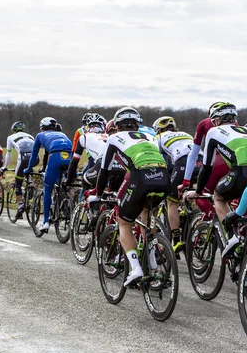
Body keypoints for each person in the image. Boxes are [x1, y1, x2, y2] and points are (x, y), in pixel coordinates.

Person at [88, 107, 169, 286]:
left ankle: (135, 268)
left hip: (140, 177)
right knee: (147, 214)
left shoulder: (113, 138)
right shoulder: (151, 137)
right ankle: (151, 255)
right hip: (164, 178)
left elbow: (104, 171)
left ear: (116, 126)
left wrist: (98, 195)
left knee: (124, 221)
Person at [183, 103, 247, 258]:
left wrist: (198, 191)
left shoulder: (213, 131)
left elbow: (206, 167)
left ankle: (233, 237)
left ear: (217, 120)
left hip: (241, 172)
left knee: (219, 198)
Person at [152, 116, 194, 255]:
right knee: (196, 192)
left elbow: (157, 160)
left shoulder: (159, 137)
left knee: (172, 202)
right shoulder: (186, 134)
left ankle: (176, 240)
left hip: (182, 164)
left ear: (158, 130)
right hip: (201, 163)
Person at [24, 117, 73, 233]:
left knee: (47, 187)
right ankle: (70, 205)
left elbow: (34, 155)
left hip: (55, 155)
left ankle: (45, 222)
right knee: (65, 182)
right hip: (69, 153)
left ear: (42, 128)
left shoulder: (40, 136)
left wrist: (28, 169)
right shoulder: (63, 134)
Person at [3, 121, 37, 212]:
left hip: (23, 157)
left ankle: (20, 205)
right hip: (36, 158)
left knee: (18, 181)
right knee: (28, 170)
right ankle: (31, 184)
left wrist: (5, 167)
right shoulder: (30, 136)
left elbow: (8, 154)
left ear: (14, 130)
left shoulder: (10, 137)